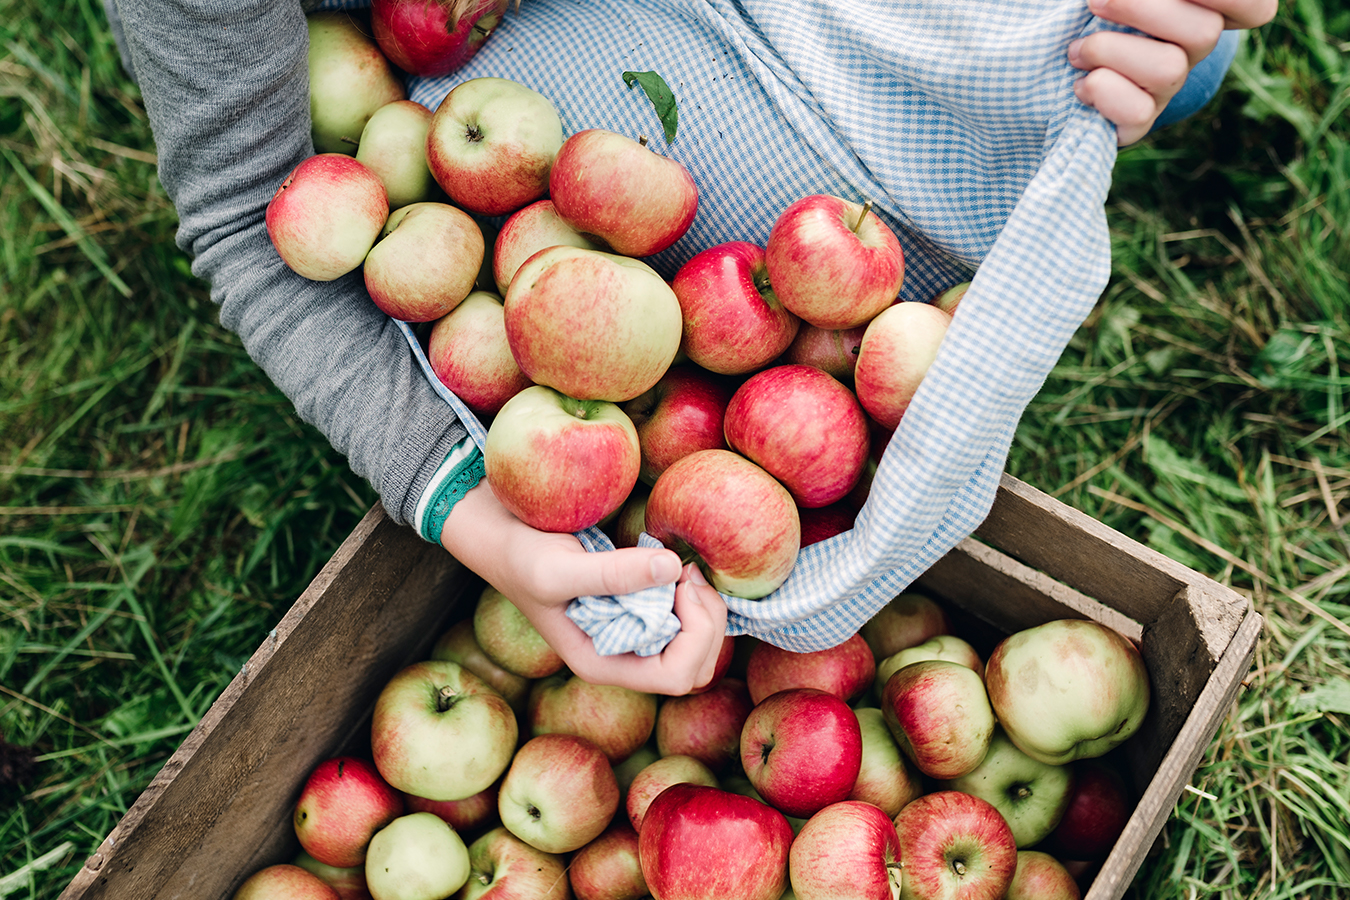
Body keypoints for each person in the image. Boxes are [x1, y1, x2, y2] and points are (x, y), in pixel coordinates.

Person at [104, 0, 1276, 695]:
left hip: (874, 85)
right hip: (578, 223)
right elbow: (241, 211)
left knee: (1177, 64)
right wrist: (464, 501)